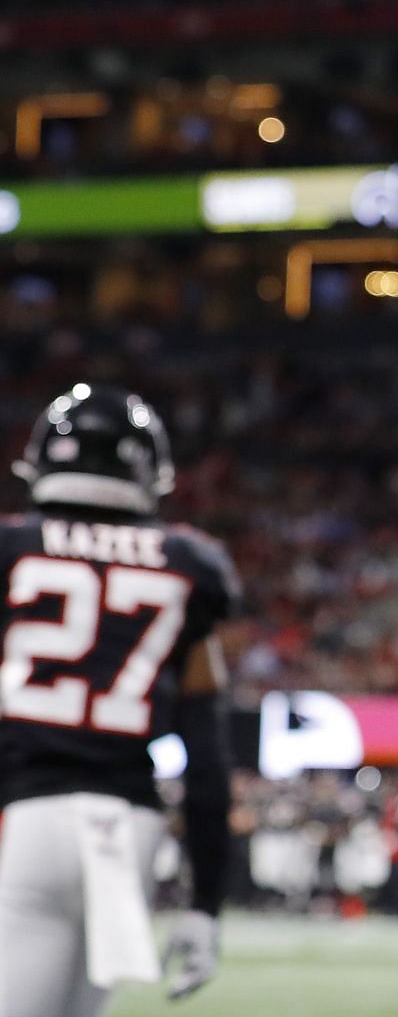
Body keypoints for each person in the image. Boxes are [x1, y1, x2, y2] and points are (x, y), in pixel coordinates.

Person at [0, 385, 237, 1016]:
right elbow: (208, 759)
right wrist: (206, 902)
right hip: (127, 828)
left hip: (23, 818)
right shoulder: (189, 565)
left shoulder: (12, 550)